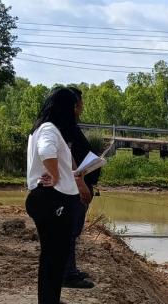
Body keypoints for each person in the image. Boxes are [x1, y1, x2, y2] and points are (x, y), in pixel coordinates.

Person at [26, 88, 84, 304]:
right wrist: (56, 175)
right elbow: (46, 150)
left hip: (51, 198)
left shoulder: (44, 128)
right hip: (53, 199)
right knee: (53, 253)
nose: (77, 110)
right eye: (75, 106)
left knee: (56, 253)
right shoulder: (49, 129)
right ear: (66, 108)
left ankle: (52, 299)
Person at [59, 86, 99, 289]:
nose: (81, 108)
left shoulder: (69, 126)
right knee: (69, 231)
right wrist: (80, 182)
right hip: (74, 186)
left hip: (79, 184)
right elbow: (68, 158)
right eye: (79, 104)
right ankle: (67, 274)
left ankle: (71, 270)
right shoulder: (62, 129)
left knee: (73, 232)